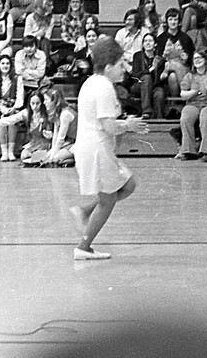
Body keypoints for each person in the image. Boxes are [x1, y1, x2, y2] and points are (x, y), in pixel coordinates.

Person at [68, 37, 148, 261]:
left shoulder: (92, 82)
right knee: (108, 200)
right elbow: (109, 127)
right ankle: (83, 247)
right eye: (121, 64)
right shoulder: (104, 88)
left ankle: (84, 211)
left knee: (128, 185)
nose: (125, 69)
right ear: (109, 66)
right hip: (97, 149)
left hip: (94, 148)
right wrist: (128, 125)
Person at [176, 51, 207, 162]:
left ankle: (206, 151)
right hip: (193, 103)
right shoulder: (189, 76)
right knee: (186, 117)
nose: (197, 60)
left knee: (205, 116)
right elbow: (183, 95)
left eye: (199, 58)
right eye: (195, 58)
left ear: (205, 60)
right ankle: (188, 151)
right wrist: (194, 92)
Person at [0, 89, 49, 164]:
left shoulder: (46, 113)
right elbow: (10, 119)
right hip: (34, 143)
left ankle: (42, 156)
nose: (35, 107)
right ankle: (38, 157)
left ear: (42, 103)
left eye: (38, 103)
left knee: (41, 155)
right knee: (24, 156)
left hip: (45, 143)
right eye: (32, 103)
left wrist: (50, 134)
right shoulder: (26, 113)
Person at [0, 55, 25, 161]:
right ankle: (4, 152)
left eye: (7, 63)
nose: (5, 66)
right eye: (3, 63)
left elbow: (20, 97)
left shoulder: (17, 79)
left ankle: (10, 151)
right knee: (2, 119)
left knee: (12, 119)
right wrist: (1, 107)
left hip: (13, 107)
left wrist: (14, 107)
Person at [157, 8, 195, 103]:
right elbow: (158, 59)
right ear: (167, 21)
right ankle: (183, 99)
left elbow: (190, 60)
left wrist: (185, 57)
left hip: (183, 70)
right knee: (172, 76)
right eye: (170, 19)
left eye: (175, 19)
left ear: (179, 22)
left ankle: (176, 102)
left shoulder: (186, 39)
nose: (173, 22)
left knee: (173, 75)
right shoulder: (161, 39)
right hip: (164, 73)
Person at [126, 32, 165, 119]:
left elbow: (159, 79)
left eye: (150, 41)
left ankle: (159, 121)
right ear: (143, 44)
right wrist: (150, 70)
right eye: (145, 41)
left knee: (159, 93)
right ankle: (146, 111)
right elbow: (135, 75)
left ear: (155, 44)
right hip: (138, 85)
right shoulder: (137, 56)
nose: (147, 43)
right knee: (146, 78)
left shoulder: (159, 59)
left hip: (154, 85)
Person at [43, 87, 76, 164]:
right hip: (67, 143)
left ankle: (72, 159)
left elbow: (61, 138)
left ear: (53, 100)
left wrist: (53, 155)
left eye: (46, 100)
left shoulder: (65, 114)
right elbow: (56, 135)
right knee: (47, 156)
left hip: (73, 143)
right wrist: (52, 151)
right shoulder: (57, 114)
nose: (44, 102)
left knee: (55, 159)